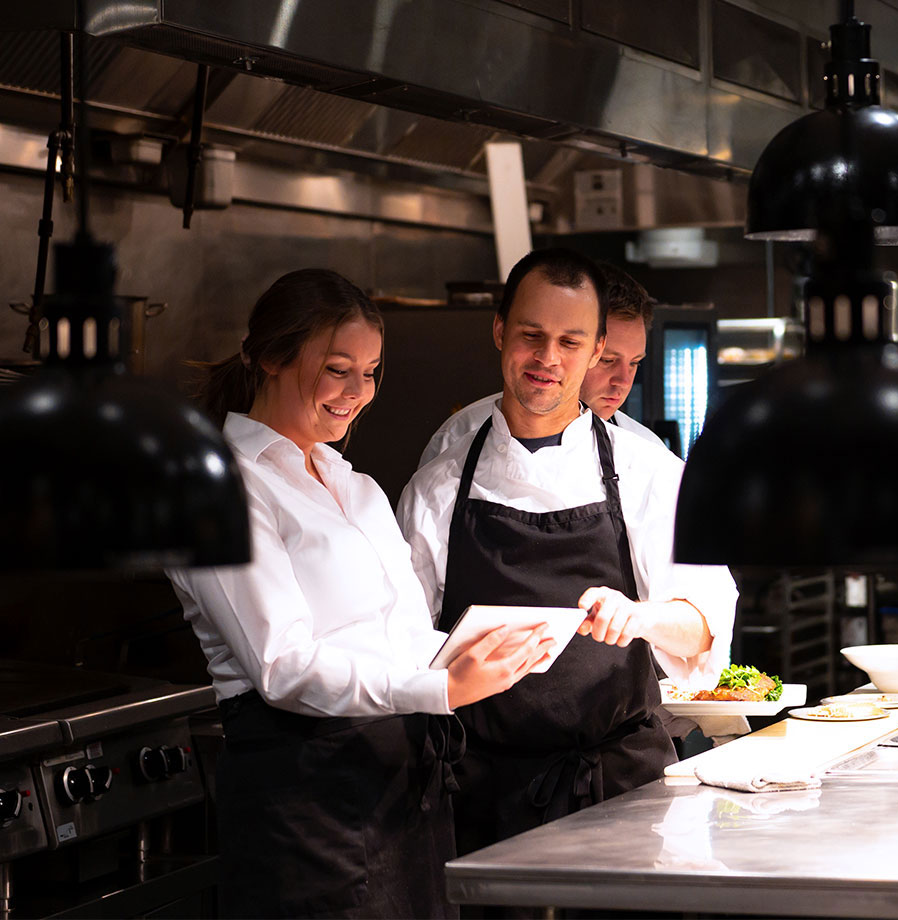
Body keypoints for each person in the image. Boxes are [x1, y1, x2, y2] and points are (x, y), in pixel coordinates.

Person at [167, 268, 553, 919]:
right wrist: (442, 688)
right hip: (304, 799)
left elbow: (398, 638)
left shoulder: (357, 488)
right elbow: (281, 666)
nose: (357, 393)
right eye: (338, 369)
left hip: (402, 788)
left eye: (370, 372)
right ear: (266, 357)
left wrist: (485, 647)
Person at [396, 248, 738, 863]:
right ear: (500, 331)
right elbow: (401, 650)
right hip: (477, 796)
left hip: (621, 792)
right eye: (532, 336)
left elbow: (704, 631)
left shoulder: (649, 473)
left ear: (594, 347)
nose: (548, 360)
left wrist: (640, 616)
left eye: (571, 342)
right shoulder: (438, 487)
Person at [417, 262, 662, 468]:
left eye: (634, 363)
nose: (623, 381)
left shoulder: (649, 456)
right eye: (608, 361)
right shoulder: (459, 437)